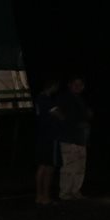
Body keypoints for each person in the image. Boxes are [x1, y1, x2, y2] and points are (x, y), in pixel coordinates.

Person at [56, 75, 91, 201]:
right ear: (69, 85)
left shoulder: (80, 99)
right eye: (75, 84)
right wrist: (69, 124)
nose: (78, 87)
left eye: (80, 84)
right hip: (69, 138)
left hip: (81, 138)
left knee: (80, 166)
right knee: (69, 166)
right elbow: (57, 114)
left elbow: (85, 116)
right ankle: (65, 192)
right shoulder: (64, 98)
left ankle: (76, 190)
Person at [33, 78, 62, 207]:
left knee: (42, 166)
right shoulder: (46, 99)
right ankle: (45, 196)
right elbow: (59, 115)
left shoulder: (38, 99)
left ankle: (39, 196)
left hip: (41, 135)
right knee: (49, 166)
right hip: (49, 136)